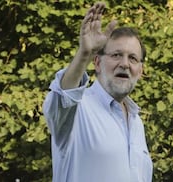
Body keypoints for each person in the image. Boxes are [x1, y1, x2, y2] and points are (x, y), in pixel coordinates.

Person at [43, 2, 153, 182]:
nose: (125, 64)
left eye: (132, 58)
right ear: (97, 63)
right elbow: (63, 97)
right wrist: (84, 53)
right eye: (116, 55)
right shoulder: (77, 109)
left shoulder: (136, 122)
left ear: (140, 71)